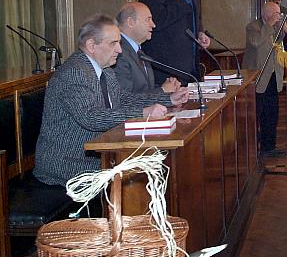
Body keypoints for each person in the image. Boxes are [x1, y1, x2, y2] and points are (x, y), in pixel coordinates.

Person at [34, 15, 188, 186]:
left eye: (119, 43)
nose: (120, 50)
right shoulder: (75, 72)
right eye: (113, 43)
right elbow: (91, 118)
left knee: (156, 165)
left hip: (97, 154)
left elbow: (123, 99)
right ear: (92, 45)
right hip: (69, 163)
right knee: (141, 175)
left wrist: (167, 98)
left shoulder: (104, 68)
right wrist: (144, 112)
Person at [244, 1, 286, 157]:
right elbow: (256, 43)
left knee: (272, 113)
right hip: (258, 78)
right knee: (257, 114)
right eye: (276, 13)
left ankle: (270, 146)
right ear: (266, 14)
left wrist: (285, 28)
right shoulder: (253, 27)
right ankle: (255, 148)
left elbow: (286, 41)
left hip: (274, 75)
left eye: (279, 13)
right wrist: (268, 25)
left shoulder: (276, 27)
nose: (278, 16)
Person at [113, 2, 181, 94]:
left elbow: (146, 89)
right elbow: (125, 99)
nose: (153, 25)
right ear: (131, 22)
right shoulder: (118, 53)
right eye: (148, 19)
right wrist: (162, 90)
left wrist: (169, 88)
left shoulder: (138, 51)